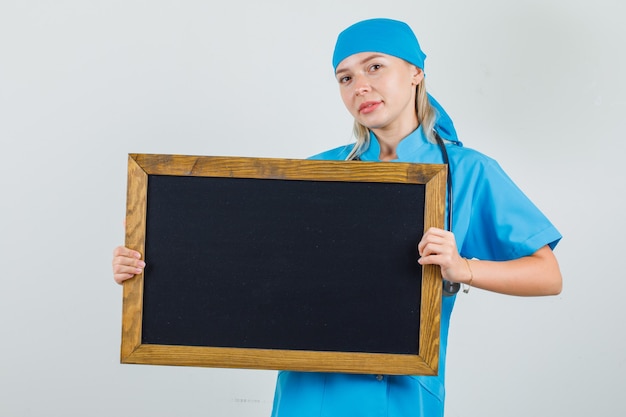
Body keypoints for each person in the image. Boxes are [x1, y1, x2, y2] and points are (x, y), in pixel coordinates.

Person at [112, 18, 562, 417]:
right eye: (344, 77)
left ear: (416, 73)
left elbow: (547, 275)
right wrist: (148, 269)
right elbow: (242, 269)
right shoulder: (315, 174)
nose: (359, 86)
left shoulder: (467, 172)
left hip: (402, 392)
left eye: (374, 67)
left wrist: (462, 268)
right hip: (307, 391)